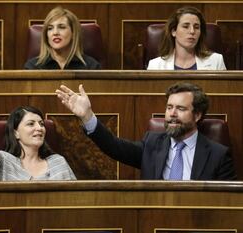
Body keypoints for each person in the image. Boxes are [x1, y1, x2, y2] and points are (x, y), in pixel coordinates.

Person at [56, 82, 236, 180]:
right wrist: (87, 116)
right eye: (169, 107)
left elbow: (225, 206)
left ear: (197, 115)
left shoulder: (218, 155)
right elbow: (113, 146)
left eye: (180, 109)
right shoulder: (152, 144)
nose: (172, 114)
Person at [147, 6, 226, 70]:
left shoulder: (216, 61)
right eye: (185, 26)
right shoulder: (155, 66)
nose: (192, 31)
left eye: (196, 27)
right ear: (174, 31)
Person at [24, 6, 101, 70]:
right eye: (50, 28)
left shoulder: (92, 67)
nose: (55, 33)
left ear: (73, 33)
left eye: (62, 27)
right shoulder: (33, 67)